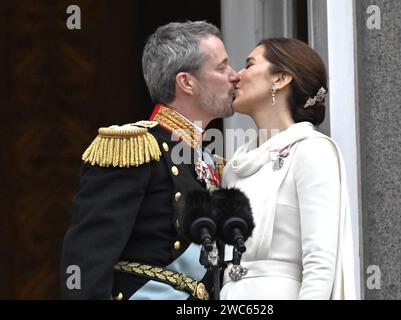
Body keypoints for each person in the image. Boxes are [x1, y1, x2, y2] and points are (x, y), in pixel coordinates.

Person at [60, 21, 238, 300]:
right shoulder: (134, 148)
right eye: (221, 67)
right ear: (186, 82)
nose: (234, 75)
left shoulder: (212, 162)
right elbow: (87, 259)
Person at [219, 38, 358, 300]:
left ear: (280, 78)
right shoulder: (234, 167)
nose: (237, 76)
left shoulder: (311, 151)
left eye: (249, 65)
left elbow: (320, 263)